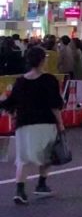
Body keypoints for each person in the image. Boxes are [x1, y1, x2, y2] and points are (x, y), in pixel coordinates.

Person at [0, 47, 65, 205]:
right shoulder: (49, 80)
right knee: (47, 155)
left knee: (23, 159)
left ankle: (20, 191)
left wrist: (2, 100)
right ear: (43, 60)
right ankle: (41, 184)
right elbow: (55, 105)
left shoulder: (20, 81)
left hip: (24, 125)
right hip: (45, 123)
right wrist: (61, 124)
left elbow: (10, 103)